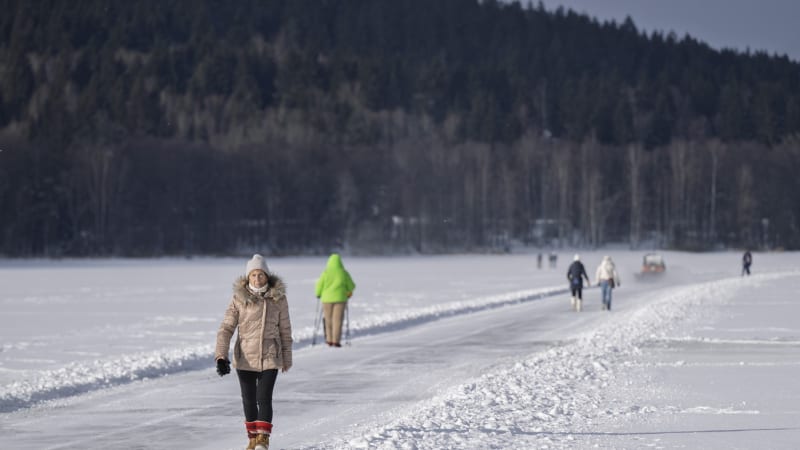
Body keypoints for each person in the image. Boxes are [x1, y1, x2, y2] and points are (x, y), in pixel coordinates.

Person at [215, 254, 293, 450]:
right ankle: (252, 439)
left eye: (261, 274)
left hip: (270, 355)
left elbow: (285, 330)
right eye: (253, 275)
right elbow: (226, 328)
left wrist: (287, 357)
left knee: (264, 398)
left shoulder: (278, 298)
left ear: (267, 276)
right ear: (248, 277)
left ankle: (263, 440)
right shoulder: (238, 299)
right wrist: (221, 356)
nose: (257, 279)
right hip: (245, 357)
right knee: (249, 401)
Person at [315, 253, 356, 347]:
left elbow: (319, 285)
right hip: (340, 299)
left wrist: (318, 294)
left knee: (328, 320)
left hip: (326, 300)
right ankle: (336, 341)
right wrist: (348, 292)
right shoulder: (343, 273)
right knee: (337, 320)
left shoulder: (325, 273)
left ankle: (329, 340)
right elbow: (352, 286)